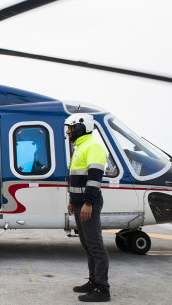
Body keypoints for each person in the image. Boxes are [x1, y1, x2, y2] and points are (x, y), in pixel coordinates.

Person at [65, 113, 111, 302]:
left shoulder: (93, 146)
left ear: (80, 127)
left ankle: (102, 289)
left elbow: (94, 178)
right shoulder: (81, 147)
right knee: (87, 245)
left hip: (87, 204)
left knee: (96, 246)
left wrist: (88, 203)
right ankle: (93, 281)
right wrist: (72, 200)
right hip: (79, 203)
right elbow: (77, 178)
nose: (67, 131)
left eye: (70, 127)